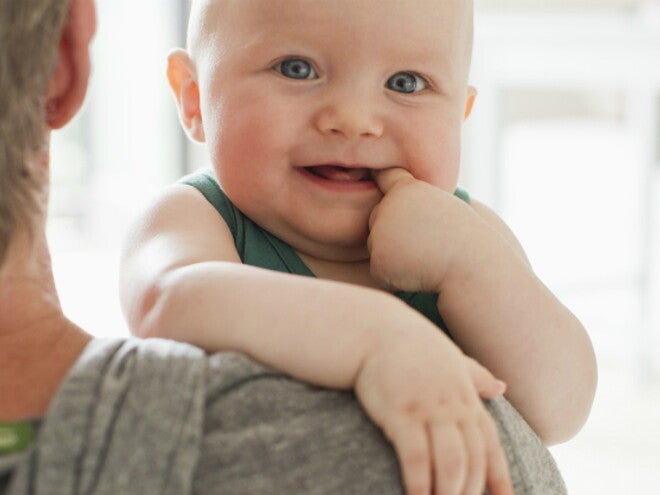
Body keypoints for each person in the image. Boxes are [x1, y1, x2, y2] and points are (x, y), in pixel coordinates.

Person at [0, 0, 567, 494]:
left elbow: (562, 408)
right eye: (297, 69)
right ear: (195, 99)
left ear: (461, 113)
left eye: (406, 84)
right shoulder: (196, 217)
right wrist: (377, 337)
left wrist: (474, 267)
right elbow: (167, 300)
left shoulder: (468, 235)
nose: (353, 119)